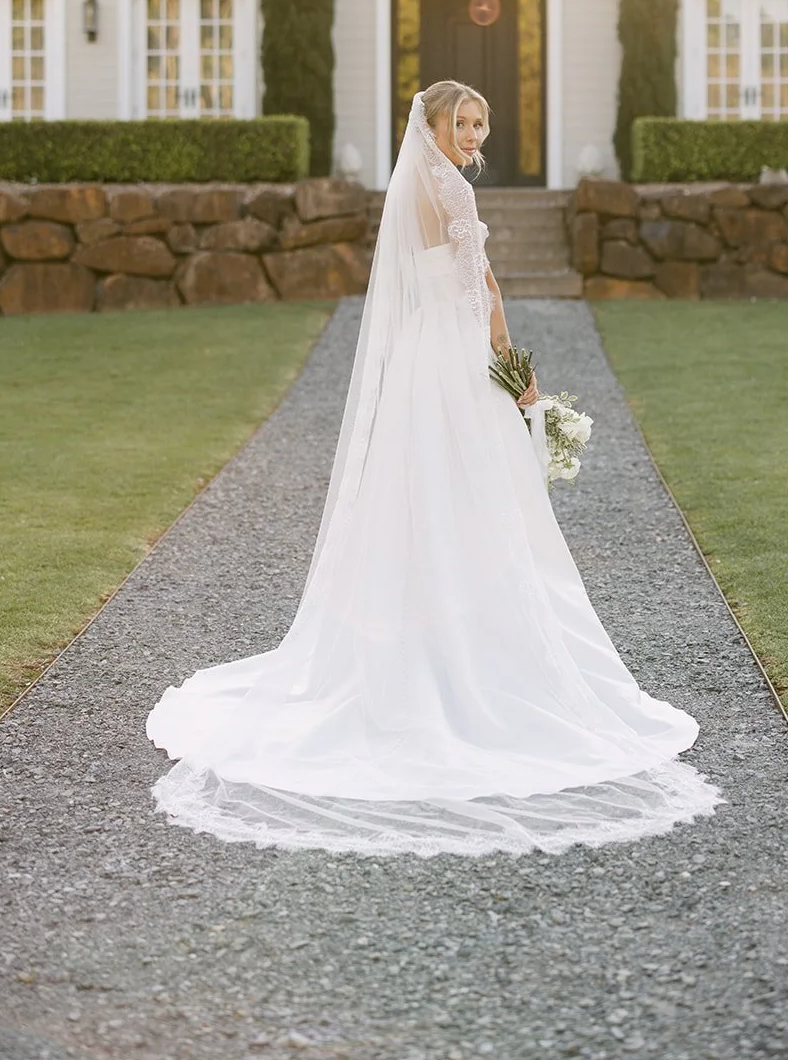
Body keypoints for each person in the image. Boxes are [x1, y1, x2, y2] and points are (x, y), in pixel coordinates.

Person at [146, 81, 720, 856]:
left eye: (481, 122)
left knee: (417, 492)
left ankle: (413, 628)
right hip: (452, 358)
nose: (474, 132)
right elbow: (479, 284)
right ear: (436, 125)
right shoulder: (447, 184)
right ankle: (467, 645)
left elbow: (432, 282)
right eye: (463, 121)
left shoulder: (420, 179)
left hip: (422, 357)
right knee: (474, 496)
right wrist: (514, 367)